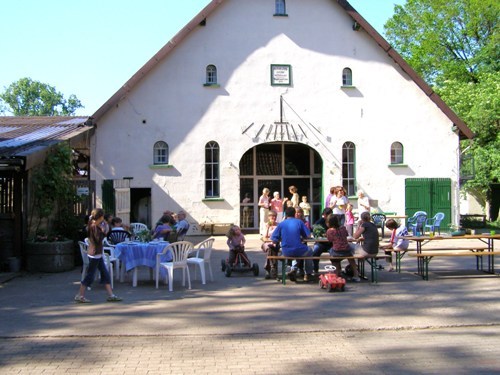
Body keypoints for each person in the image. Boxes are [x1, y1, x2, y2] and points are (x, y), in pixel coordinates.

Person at [74, 208, 122, 303]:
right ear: (100, 217)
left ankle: (111, 295)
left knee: (105, 273)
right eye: (102, 216)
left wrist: (103, 225)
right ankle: (80, 295)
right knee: (90, 275)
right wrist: (103, 231)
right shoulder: (94, 227)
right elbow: (98, 239)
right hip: (95, 253)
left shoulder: (93, 224)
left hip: (97, 253)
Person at [271, 206, 313, 282]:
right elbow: (308, 235)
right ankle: (308, 273)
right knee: (309, 251)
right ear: (294, 214)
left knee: (297, 253)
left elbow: (273, 238)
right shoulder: (299, 222)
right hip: (298, 249)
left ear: (285, 215)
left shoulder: (281, 224)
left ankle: (294, 269)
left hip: (286, 251)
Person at [326, 214, 360, 282]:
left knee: (332, 254)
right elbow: (346, 235)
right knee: (351, 257)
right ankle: (356, 275)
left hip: (337, 251)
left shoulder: (329, 231)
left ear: (329, 223)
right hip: (346, 250)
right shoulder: (343, 228)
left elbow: (330, 240)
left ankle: (337, 274)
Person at [311, 207, 333, 274]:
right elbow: (314, 232)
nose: (328, 216)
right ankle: (315, 269)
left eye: (330, 214)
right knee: (315, 251)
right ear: (324, 215)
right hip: (321, 243)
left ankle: (336, 269)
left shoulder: (334, 221)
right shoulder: (319, 222)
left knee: (336, 253)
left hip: (331, 244)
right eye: (327, 215)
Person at [261, 211, 280, 279]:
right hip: (266, 243)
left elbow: (280, 235)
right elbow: (265, 237)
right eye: (271, 216)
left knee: (271, 250)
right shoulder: (266, 225)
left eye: (274, 216)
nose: (273, 218)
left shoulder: (278, 225)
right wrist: (268, 228)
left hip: (275, 243)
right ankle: (274, 269)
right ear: (268, 217)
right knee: (270, 248)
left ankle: (268, 269)